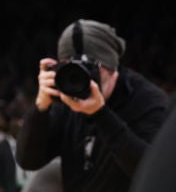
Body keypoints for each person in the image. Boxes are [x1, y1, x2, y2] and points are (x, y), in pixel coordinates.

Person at [14, 19, 169, 191]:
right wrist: (40, 109)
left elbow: (153, 172)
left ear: (112, 69)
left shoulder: (148, 101)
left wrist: (101, 114)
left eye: (91, 70)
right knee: (44, 177)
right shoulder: (66, 94)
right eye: (71, 70)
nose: (82, 81)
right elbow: (28, 161)